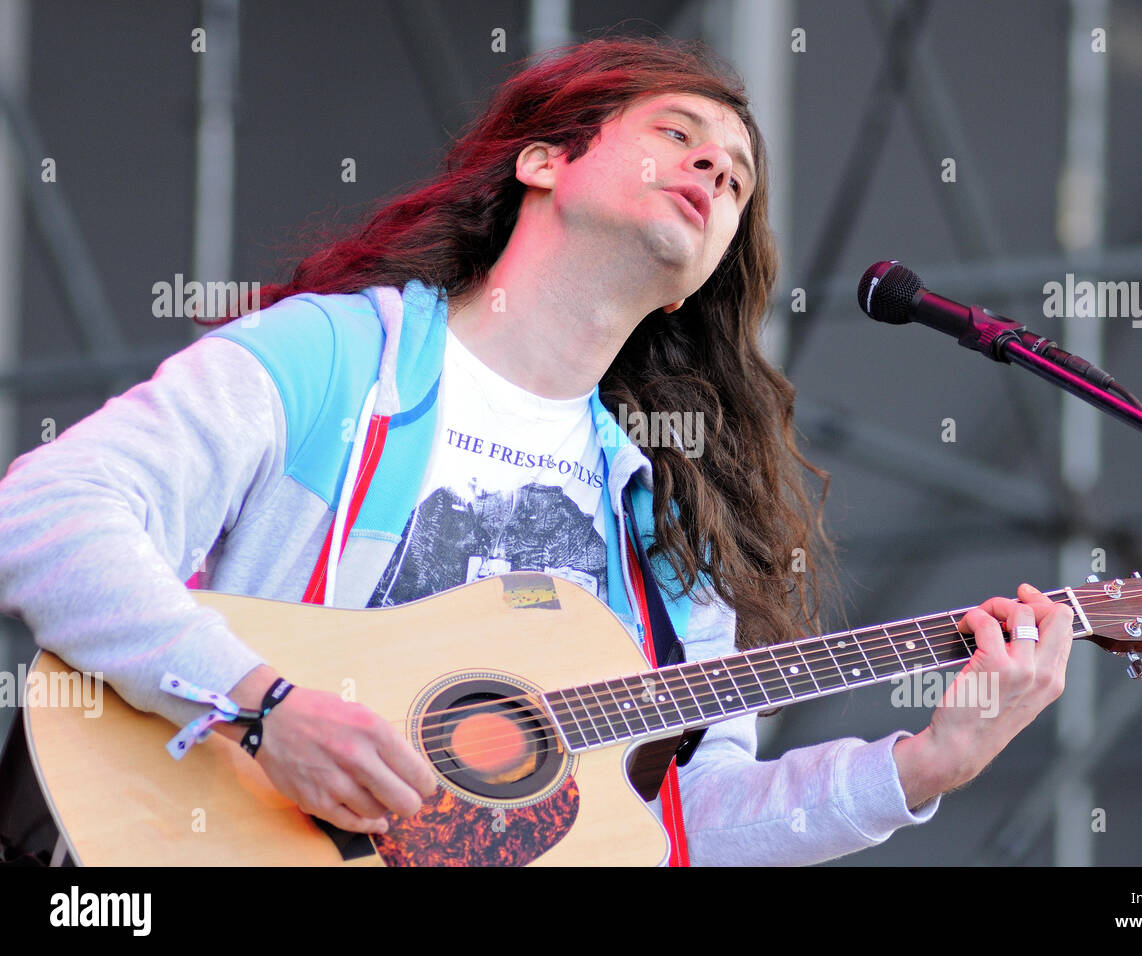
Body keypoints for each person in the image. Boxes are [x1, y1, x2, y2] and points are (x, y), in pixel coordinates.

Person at [0, 36, 1071, 866]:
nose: (714, 167)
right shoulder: (338, 358)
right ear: (544, 159)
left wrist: (923, 764)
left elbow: (681, 824)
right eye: (678, 133)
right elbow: (45, 509)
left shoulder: (672, 530)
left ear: (699, 276)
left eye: (737, 180)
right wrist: (257, 703)